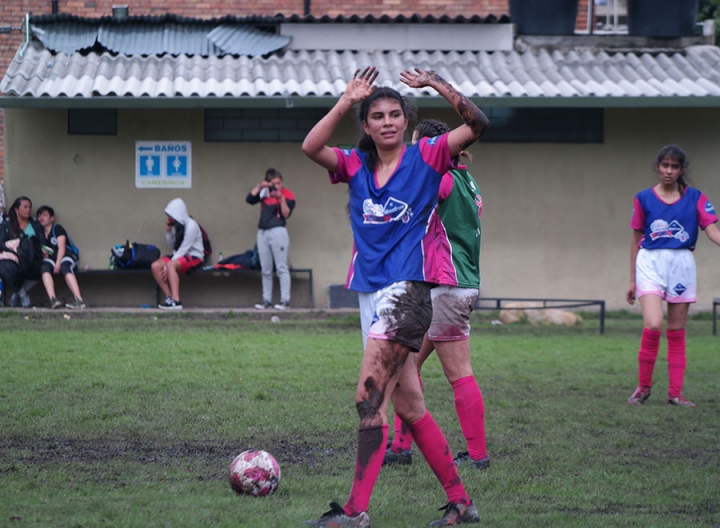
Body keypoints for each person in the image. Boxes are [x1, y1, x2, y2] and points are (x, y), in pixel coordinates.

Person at [301, 66, 489, 527]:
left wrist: (438, 85)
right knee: (409, 407)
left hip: (407, 292)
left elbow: (478, 124)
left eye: (394, 114)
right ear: (366, 126)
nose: (387, 121)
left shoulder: (427, 157)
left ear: (406, 120)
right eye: (377, 116)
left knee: (369, 398)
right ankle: (461, 505)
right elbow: (310, 147)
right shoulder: (355, 166)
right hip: (372, 294)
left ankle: (354, 511)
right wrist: (347, 100)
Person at [383, 119, 489, 470]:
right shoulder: (466, 180)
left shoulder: (441, 178)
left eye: (418, 148)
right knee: (406, 364)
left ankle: (477, 457)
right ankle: (400, 447)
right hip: (454, 285)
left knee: (459, 372)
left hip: (446, 285)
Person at [626, 145, 720, 408]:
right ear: (657, 167)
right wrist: (632, 279)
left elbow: (712, 231)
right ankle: (643, 387)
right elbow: (635, 241)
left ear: (681, 170)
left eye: (674, 166)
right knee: (654, 323)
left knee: (677, 330)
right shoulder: (643, 198)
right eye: (664, 165)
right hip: (650, 262)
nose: (669, 170)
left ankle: (675, 394)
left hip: (681, 263)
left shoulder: (696, 198)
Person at [246, 168, 296, 310]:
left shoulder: (287, 194)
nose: (276, 186)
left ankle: (285, 300)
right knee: (265, 269)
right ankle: (266, 300)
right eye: (273, 183)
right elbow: (249, 199)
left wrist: (280, 198)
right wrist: (260, 186)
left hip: (278, 231)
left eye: (279, 183)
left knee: (281, 267)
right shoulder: (264, 194)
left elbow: (286, 213)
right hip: (262, 232)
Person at [151, 198, 204, 310]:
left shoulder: (191, 226)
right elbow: (173, 247)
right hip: (179, 255)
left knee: (171, 265)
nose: (169, 218)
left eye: (171, 215)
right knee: (155, 266)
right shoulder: (177, 226)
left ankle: (176, 301)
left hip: (194, 256)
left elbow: (184, 249)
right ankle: (169, 297)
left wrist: (167, 266)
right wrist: (169, 231)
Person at [36, 205, 85, 309]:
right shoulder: (40, 233)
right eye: (39, 215)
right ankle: (53, 300)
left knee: (64, 266)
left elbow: (61, 248)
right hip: (53, 258)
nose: (41, 218)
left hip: (68, 255)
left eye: (44, 215)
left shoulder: (57, 228)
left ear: (52, 218)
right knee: (44, 268)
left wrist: (58, 263)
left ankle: (79, 300)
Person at [0, 196, 42, 307]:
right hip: (13, 256)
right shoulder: (7, 224)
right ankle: (22, 294)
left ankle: (16, 296)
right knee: (5, 267)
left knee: (40, 268)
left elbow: (41, 242)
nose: (28, 209)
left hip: (31, 257)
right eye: (25, 207)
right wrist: (14, 251)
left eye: (30, 207)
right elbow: (1, 242)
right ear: (16, 209)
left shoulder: (35, 224)